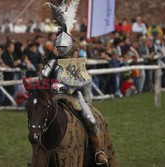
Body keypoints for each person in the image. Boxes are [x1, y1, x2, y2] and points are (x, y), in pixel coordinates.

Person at [38, 1, 108, 165]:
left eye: (63, 48)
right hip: (53, 98)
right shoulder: (52, 62)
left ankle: (98, 150)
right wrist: (52, 60)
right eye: (58, 48)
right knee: (37, 121)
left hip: (73, 97)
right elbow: (42, 79)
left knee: (89, 118)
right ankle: (37, 156)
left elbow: (79, 84)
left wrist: (58, 86)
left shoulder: (74, 63)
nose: (60, 50)